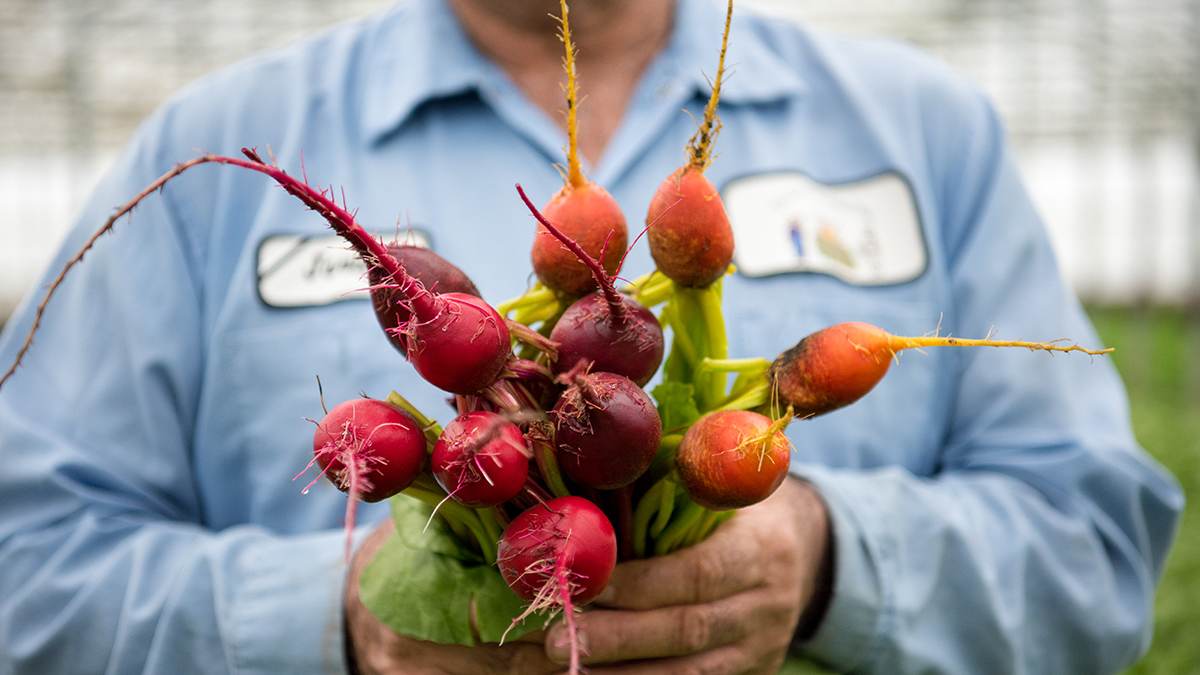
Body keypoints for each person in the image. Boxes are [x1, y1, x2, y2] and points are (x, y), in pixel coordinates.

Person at [0, 0, 1183, 673]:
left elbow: (1096, 553)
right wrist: (335, 622)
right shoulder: (211, 140)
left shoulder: (928, 128)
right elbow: (26, 572)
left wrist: (830, 559)